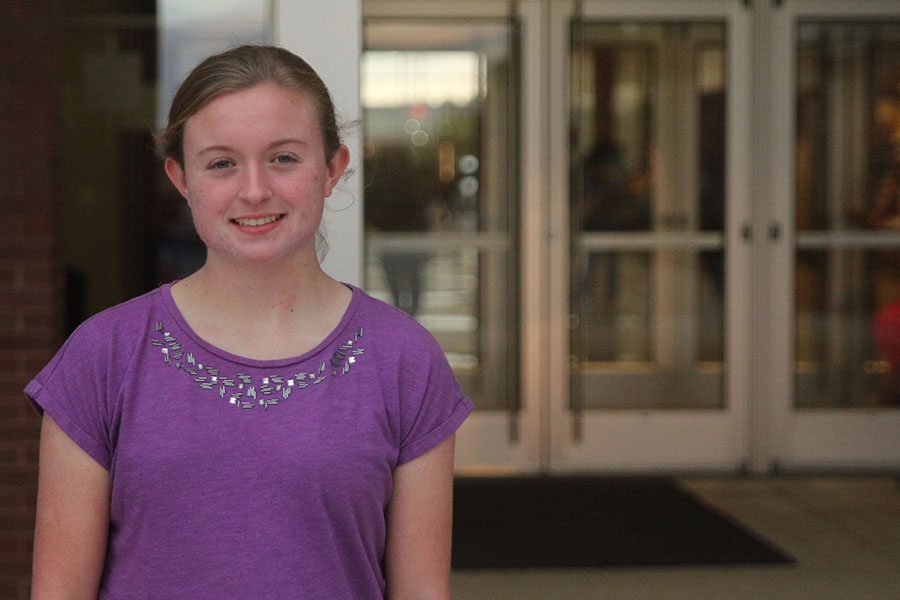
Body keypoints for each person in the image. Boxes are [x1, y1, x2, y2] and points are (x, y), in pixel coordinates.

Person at [26, 45, 472, 599]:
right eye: (221, 163)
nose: (255, 189)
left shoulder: (405, 359)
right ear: (181, 178)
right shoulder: (103, 356)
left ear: (332, 168)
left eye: (284, 158)